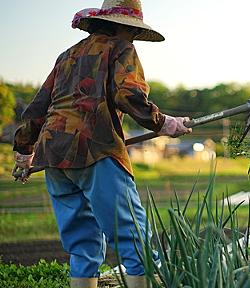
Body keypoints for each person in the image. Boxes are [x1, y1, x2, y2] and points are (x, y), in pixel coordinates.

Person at [11, 1, 190, 287]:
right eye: (132, 31)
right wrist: (163, 122)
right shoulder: (120, 48)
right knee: (132, 238)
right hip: (96, 149)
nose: (132, 38)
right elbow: (128, 95)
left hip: (53, 155)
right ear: (121, 26)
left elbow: (38, 108)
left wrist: (24, 152)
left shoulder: (67, 55)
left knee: (82, 245)